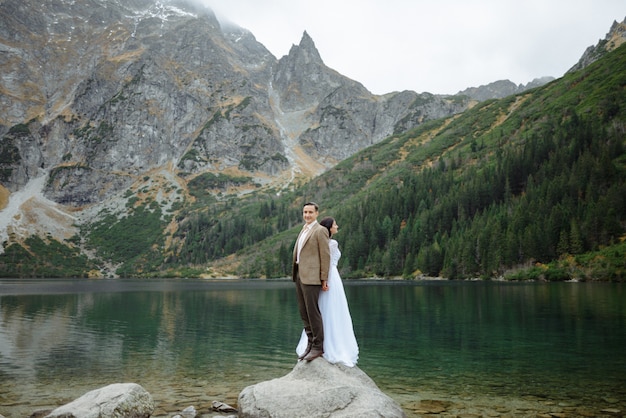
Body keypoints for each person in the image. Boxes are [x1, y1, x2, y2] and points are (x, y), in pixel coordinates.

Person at [296, 217, 359, 367]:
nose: (337, 226)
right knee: (331, 310)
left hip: (325, 277)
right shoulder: (331, 243)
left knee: (322, 309)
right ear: (329, 228)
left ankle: (318, 344)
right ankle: (327, 345)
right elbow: (325, 260)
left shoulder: (326, 241)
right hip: (330, 278)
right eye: (335, 224)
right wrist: (324, 279)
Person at [292, 202, 330, 362]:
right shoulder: (303, 229)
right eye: (305, 212)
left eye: (310, 212)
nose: (307, 215)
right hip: (300, 276)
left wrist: (324, 278)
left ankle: (318, 347)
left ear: (316, 213)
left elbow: (325, 256)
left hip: (312, 277)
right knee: (304, 312)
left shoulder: (320, 230)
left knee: (313, 312)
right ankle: (310, 343)